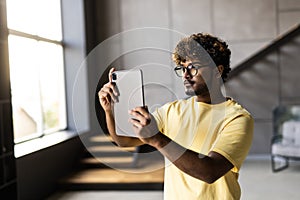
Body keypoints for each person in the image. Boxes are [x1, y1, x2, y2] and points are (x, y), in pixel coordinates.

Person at [98, 33, 254, 200]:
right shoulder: (172, 110)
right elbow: (124, 141)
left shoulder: (237, 118)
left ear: (218, 70)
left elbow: (210, 171)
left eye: (193, 67)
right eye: (183, 68)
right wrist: (109, 111)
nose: (186, 75)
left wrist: (157, 139)